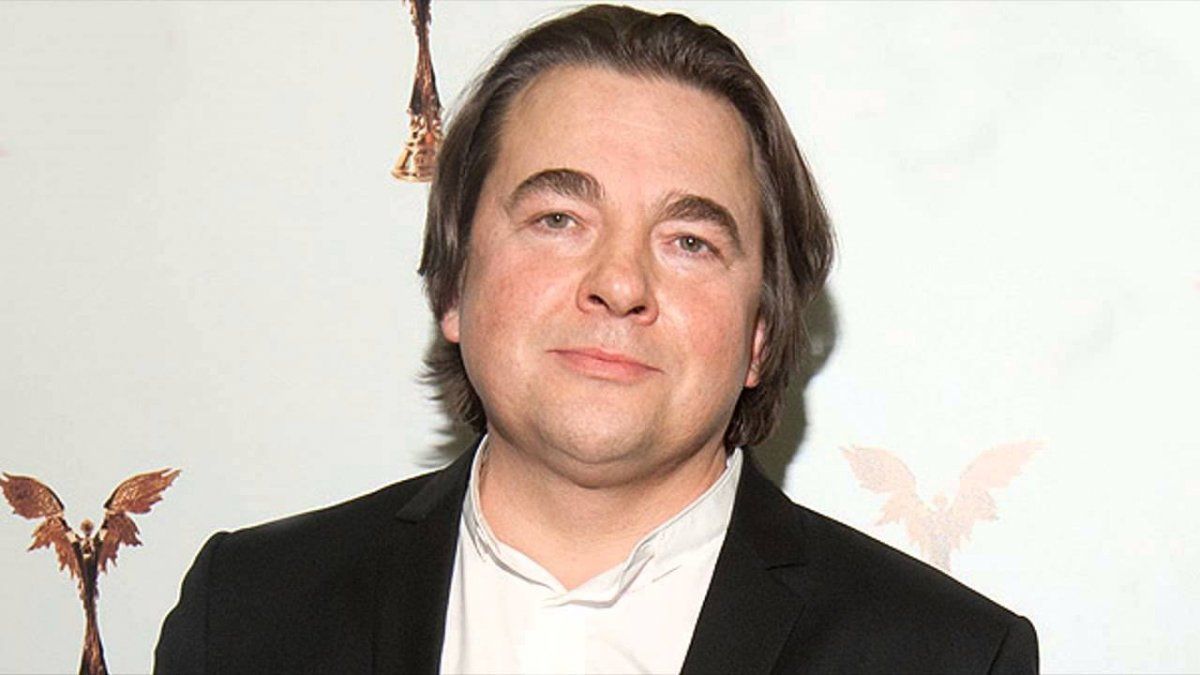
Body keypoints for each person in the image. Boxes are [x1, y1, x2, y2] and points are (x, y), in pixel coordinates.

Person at [155, 5, 1038, 673]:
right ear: (454, 283)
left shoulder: (947, 657)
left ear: (762, 335)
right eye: (559, 218)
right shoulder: (248, 614)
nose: (619, 283)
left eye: (689, 241)